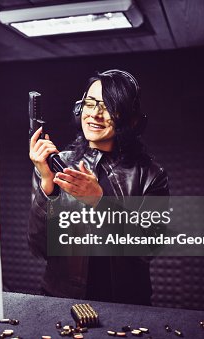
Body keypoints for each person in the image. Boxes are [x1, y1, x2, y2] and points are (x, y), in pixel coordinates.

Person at [28, 69, 170, 305]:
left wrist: (100, 202)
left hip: (126, 305)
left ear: (131, 120)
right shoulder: (56, 165)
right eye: (90, 104)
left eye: (108, 107)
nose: (95, 114)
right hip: (60, 300)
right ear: (78, 109)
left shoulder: (151, 175)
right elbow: (39, 248)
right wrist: (47, 187)